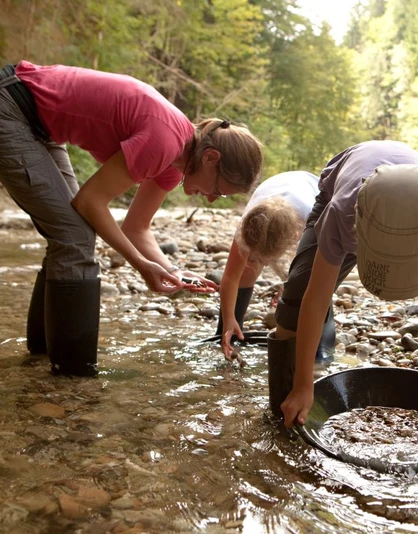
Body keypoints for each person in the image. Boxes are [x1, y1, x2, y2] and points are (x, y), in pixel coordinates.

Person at [0, 60, 263, 377]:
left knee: (75, 233)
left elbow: (137, 228)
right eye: (219, 191)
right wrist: (141, 266)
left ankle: (42, 354)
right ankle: (73, 376)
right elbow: (90, 202)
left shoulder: (173, 163)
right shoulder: (165, 141)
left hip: (39, 123)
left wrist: (173, 271)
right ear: (210, 158)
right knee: (75, 236)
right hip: (13, 104)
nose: (210, 199)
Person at [267, 140, 418, 429]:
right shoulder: (340, 216)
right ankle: (285, 405)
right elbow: (315, 299)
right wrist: (304, 384)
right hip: (346, 195)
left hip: (416, 208)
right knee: (298, 295)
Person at [218, 170, 336, 362]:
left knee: (315, 286)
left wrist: (288, 286)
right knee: (245, 272)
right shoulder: (250, 222)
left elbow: (322, 278)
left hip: (314, 192)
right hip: (273, 194)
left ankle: (323, 351)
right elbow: (231, 277)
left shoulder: (316, 222)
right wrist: (228, 319)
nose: (254, 263)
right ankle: (230, 333)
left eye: (262, 260)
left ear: (294, 238)